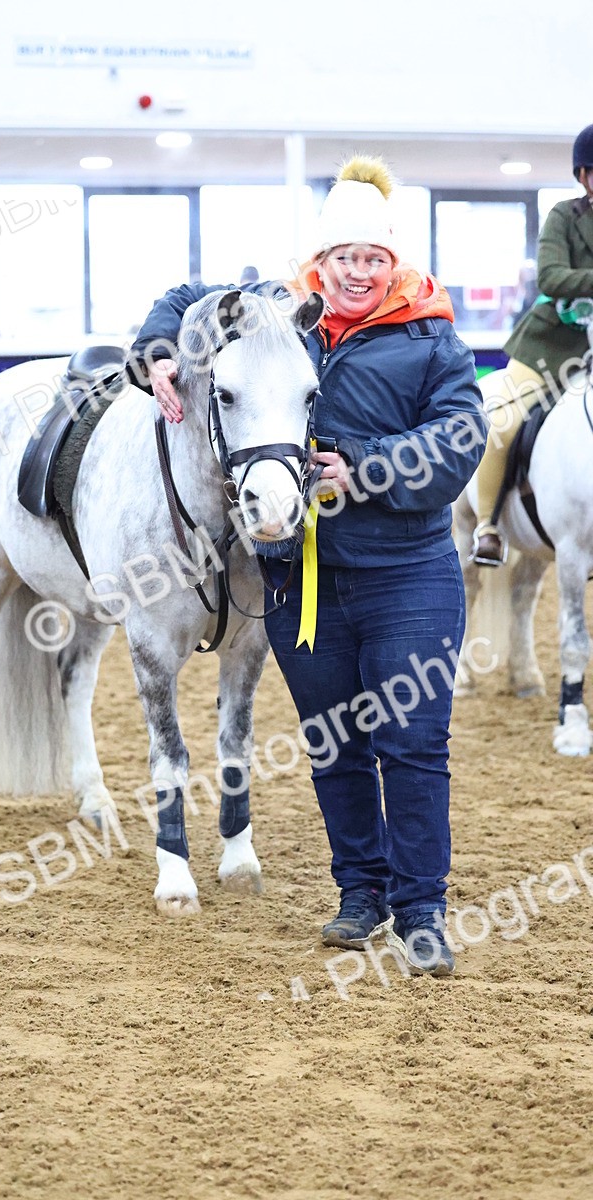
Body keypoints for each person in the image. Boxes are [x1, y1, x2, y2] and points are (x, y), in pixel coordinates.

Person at [129, 156, 487, 976]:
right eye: (341, 258)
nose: (357, 272)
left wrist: (363, 468)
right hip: (304, 581)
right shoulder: (287, 325)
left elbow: (459, 442)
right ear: (317, 266)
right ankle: (360, 894)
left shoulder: (435, 341)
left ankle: (423, 909)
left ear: (393, 264)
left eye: (372, 258)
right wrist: (155, 351)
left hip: (408, 577)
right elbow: (187, 300)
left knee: (414, 742)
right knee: (335, 744)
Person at [471, 122, 593, 565]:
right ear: (584, 176)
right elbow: (552, 277)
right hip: (551, 349)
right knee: (502, 423)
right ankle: (487, 526)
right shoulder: (564, 216)